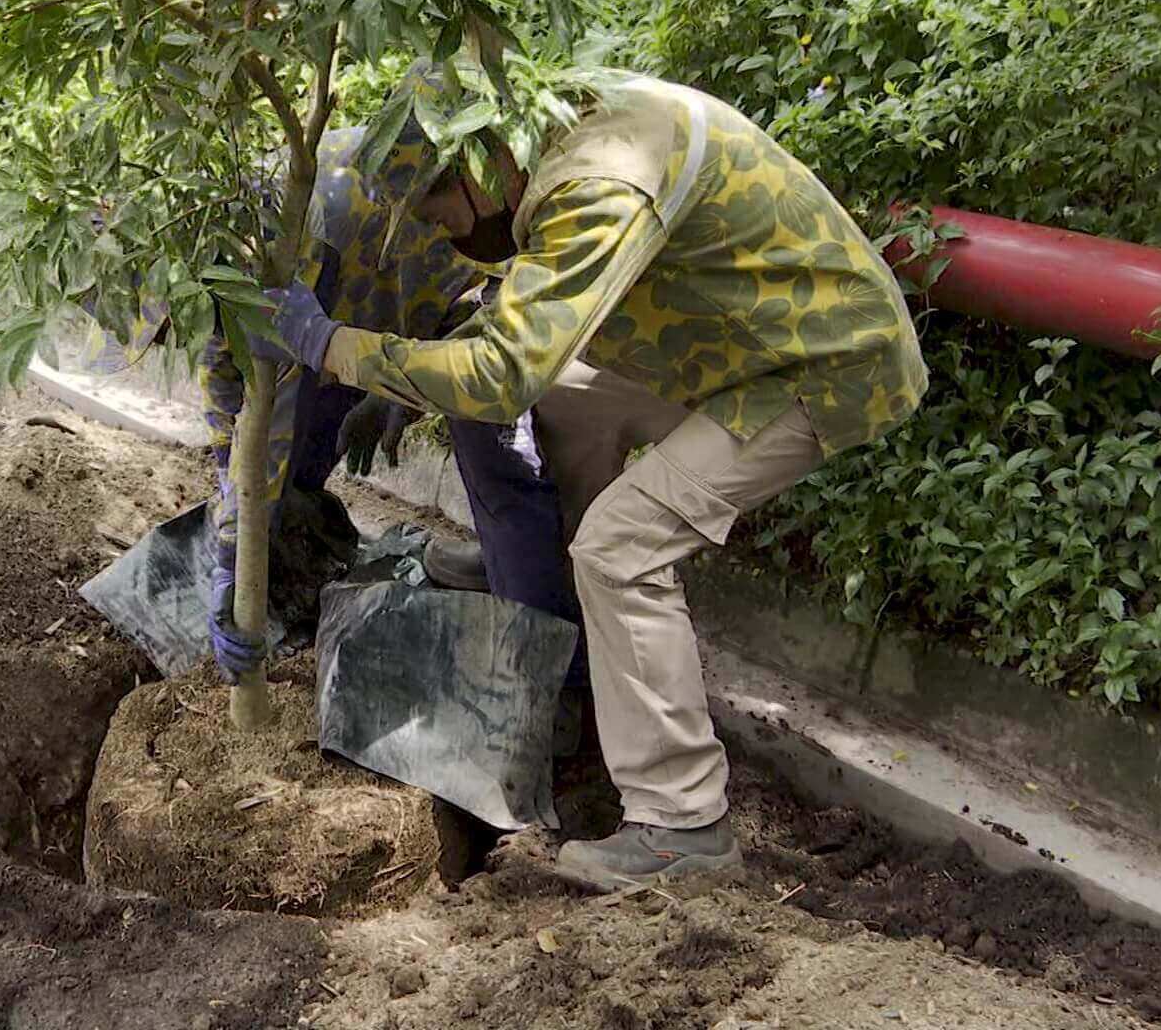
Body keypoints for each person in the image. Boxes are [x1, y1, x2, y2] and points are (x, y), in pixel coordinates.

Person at [257, 67, 928, 888]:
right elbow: (533, 321)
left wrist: (337, 349)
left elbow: (502, 371)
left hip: (818, 363)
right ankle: (546, 599)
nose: (440, 234)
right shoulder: (544, 122)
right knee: (567, 404)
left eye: (435, 213)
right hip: (733, 333)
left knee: (620, 547)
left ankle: (686, 827)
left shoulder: (600, 180)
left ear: (470, 170)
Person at [197, 118, 579, 683]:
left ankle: (549, 667)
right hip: (359, 334)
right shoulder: (229, 290)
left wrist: (416, 386)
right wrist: (238, 547)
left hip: (442, 330)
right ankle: (284, 574)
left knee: (495, 448)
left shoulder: (297, 228)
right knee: (292, 458)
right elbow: (243, 430)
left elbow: (499, 318)